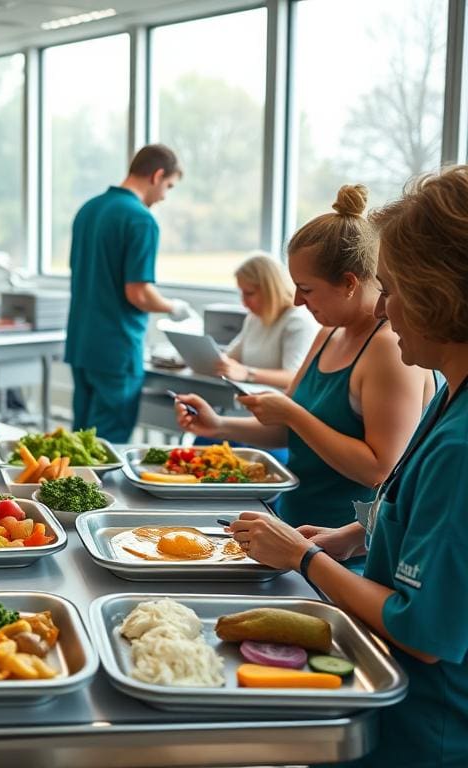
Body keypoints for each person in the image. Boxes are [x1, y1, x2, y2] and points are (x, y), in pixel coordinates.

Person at [228, 166, 468, 767]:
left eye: (393, 289)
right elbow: (411, 503)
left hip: (425, 729)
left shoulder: (460, 446)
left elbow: (424, 633)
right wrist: (355, 534)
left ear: (441, 295)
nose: (384, 307)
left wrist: (303, 558)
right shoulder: (448, 396)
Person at [175, 185, 435, 553]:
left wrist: (295, 415)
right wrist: (219, 425)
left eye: (306, 289)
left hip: (343, 548)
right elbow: (289, 430)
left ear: (348, 283)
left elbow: (379, 468)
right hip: (295, 529)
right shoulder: (329, 333)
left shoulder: (388, 349)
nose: (297, 300)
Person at [65, 143, 192, 444]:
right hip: (116, 348)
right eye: (168, 187)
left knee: (78, 442)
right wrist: (174, 307)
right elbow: (139, 293)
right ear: (157, 175)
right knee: (106, 446)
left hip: (82, 343)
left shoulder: (88, 209)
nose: (163, 197)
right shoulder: (140, 219)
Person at [215, 252, 318, 390]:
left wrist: (247, 373)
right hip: (250, 397)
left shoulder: (297, 321)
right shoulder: (254, 318)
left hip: (278, 403)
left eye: (249, 293)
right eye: (242, 293)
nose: (244, 302)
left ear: (270, 289)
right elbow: (230, 356)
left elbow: (294, 376)